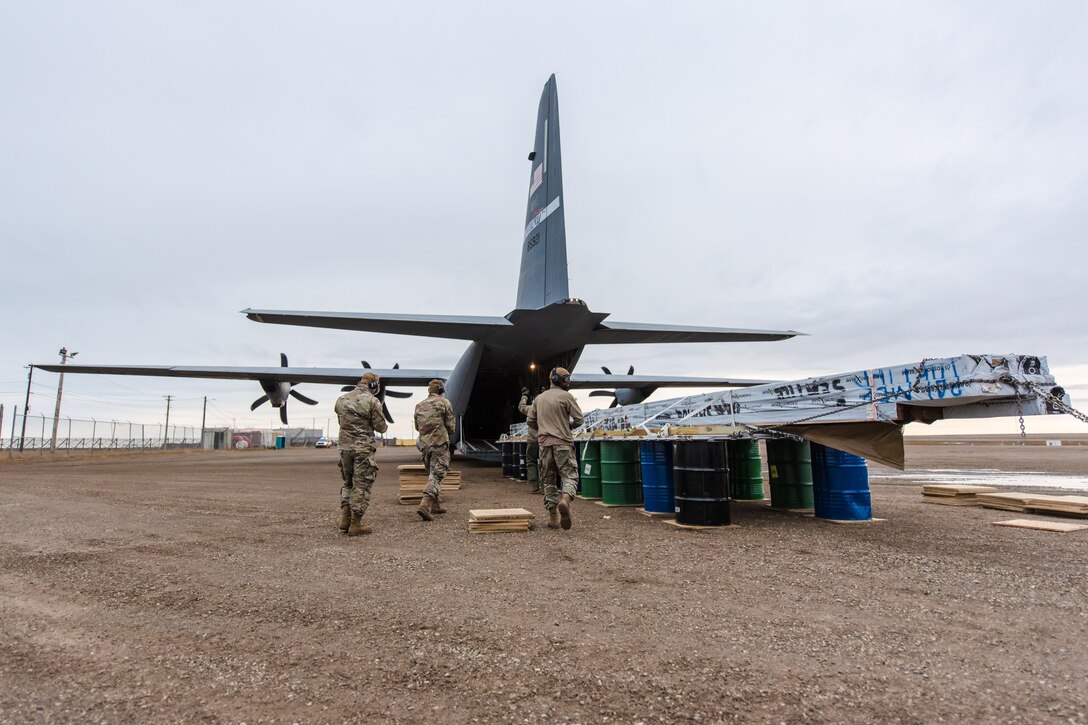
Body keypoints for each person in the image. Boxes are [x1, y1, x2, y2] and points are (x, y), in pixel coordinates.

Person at [527, 367, 584, 530]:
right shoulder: (567, 397)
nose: (568, 381)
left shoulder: (539, 398)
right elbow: (579, 419)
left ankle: (553, 518)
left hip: (544, 445)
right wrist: (567, 426)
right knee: (570, 475)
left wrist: (543, 428)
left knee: (548, 480)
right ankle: (565, 500)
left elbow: (530, 421)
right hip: (563, 443)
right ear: (559, 380)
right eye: (566, 378)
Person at [333, 372, 388, 536]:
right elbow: (381, 427)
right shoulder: (372, 401)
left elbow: (341, 422)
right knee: (362, 485)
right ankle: (356, 523)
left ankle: (345, 518)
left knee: (348, 483)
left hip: (344, 448)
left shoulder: (341, 400)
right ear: (373, 385)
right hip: (362, 449)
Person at [414, 378, 456, 521]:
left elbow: (417, 427)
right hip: (439, 444)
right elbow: (451, 426)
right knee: (437, 475)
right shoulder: (444, 403)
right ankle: (425, 505)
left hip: (425, 446)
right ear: (441, 391)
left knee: (432, 474)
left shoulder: (419, 405)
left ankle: (435, 505)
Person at [517, 387, 541, 493]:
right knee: (545, 462)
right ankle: (546, 486)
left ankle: (534, 486)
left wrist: (524, 396)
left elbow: (521, 407)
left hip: (532, 439)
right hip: (544, 439)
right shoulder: (546, 409)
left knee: (531, 461)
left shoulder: (531, 408)